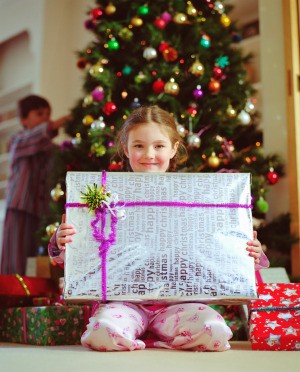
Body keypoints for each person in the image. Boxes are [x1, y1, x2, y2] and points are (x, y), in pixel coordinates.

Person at [48, 105, 269, 352]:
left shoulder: (198, 195)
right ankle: (146, 336)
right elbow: (80, 252)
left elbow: (224, 252)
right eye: (139, 145)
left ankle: (155, 339)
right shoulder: (105, 191)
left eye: (159, 146)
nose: (149, 154)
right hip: (124, 303)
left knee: (216, 333)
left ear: (174, 149)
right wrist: (61, 240)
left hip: (180, 305)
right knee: (101, 332)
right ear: (126, 149)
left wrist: (251, 252)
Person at [1, 94, 69, 275]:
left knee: (37, 261)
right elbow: (37, 137)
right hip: (20, 208)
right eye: (39, 114)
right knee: (15, 258)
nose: (46, 118)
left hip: (41, 211)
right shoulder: (18, 140)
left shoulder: (51, 149)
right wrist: (62, 121)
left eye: (48, 114)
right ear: (24, 119)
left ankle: (33, 295)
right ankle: (10, 297)